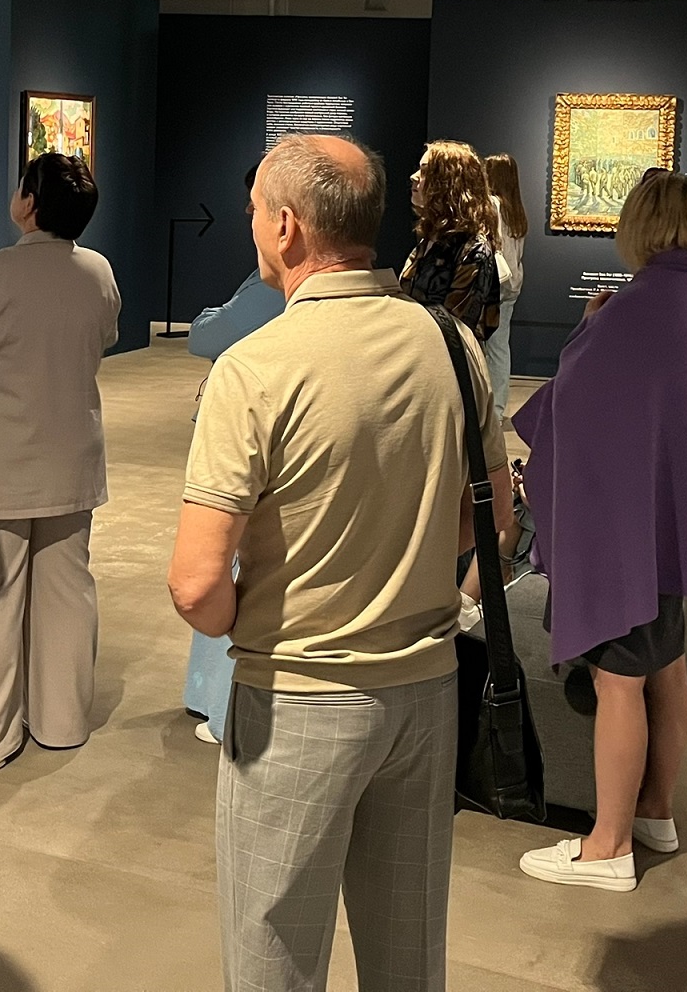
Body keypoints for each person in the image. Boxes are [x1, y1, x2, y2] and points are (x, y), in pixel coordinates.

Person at [167, 133, 511, 992]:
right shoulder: (451, 345)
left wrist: (255, 617)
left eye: (255, 210)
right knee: (408, 957)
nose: (251, 224)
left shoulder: (254, 368)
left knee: (274, 956)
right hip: (426, 693)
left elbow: (197, 583)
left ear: (286, 227)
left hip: (296, 698)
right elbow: (493, 522)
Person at [511, 171, 687, 892]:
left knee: (617, 680)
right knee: (667, 665)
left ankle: (606, 847)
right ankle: (655, 812)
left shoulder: (633, 307)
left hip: (627, 523)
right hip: (673, 517)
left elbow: (573, 399)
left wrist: (587, 327)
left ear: (640, 223)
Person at [0, 154, 120, 770]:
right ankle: (62, 722)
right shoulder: (98, 271)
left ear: (29, 203)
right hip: (73, 462)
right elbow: (105, 337)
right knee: (68, 593)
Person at [183, 166, 286, 748]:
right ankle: (213, 698)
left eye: (256, 204)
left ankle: (225, 706)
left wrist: (212, 317)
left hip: (249, 447)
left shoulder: (271, 288)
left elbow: (207, 333)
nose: (248, 215)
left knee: (234, 562)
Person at [400, 139, 502, 342]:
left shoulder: (474, 250)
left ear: (448, 183)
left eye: (425, 171)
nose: (414, 177)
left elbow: (456, 326)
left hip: (440, 356)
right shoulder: (430, 239)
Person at [187, 166, 284, 362]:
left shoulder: (280, 283)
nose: (248, 210)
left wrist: (214, 313)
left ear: (286, 220)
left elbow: (205, 339)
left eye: (256, 206)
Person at [483, 152, 530, 418]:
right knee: (500, 348)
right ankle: (498, 409)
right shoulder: (517, 210)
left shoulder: (491, 205)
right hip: (511, 284)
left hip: (492, 285)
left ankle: (487, 408)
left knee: (483, 348)